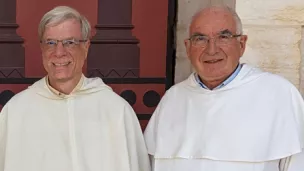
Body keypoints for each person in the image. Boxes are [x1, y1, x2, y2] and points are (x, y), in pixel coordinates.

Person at [144, 5, 304, 171]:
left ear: (241, 44)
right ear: (188, 47)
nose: (211, 50)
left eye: (223, 37)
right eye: (200, 39)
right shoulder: (172, 100)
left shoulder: (279, 95)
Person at [0, 6, 150, 171]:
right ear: (41, 48)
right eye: (50, 42)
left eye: (69, 42)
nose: (59, 52)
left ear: (85, 47)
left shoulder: (116, 111)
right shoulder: (16, 111)